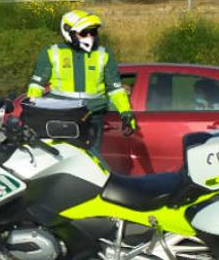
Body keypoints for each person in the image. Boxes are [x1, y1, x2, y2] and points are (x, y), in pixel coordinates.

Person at [25, 9, 137, 156]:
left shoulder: (103, 54)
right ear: (68, 32)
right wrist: (31, 113)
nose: (90, 37)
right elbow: (36, 86)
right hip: (61, 117)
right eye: (84, 33)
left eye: (93, 32)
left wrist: (126, 114)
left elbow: (115, 89)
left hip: (93, 117)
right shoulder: (51, 53)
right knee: (62, 158)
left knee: (93, 161)